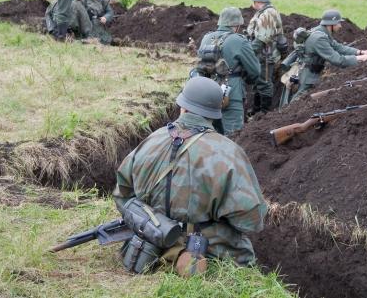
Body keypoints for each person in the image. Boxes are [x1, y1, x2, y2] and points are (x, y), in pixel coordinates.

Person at [113, 76, 267, 268]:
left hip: (150, 243)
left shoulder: (151, 140)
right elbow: (251, 222)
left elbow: (123, 195)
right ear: (214, 114)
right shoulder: (229, 152)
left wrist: (156, 220)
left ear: (182, 107)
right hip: (208, 251)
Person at [197, 7, 261, 134]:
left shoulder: (206, 38)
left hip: (206, 92)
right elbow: (255, 71)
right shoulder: (239, 40)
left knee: (206, 135)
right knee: (232, 136)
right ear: (237, 25)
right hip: (231, 94)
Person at [291, 9, 367, 101]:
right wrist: (360, 58)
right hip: (308, 76)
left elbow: (338, 47)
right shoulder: (319, 39)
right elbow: (338, 60)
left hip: (311, 72)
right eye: (338, 23)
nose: (340, 26)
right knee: (299, 100)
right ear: (330, 24)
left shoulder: (321, 32)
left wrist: (360, 52)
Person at [246, 0, 286, 113]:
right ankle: (256, 110)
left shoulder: (267, 13)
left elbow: (262, 39)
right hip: (262, 54)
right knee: (258, 82)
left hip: (266, 55)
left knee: (265, 83)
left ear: (257, 1)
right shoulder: (263, 12)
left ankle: (264, 113)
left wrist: (248, 54)